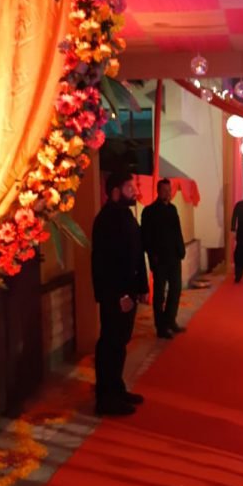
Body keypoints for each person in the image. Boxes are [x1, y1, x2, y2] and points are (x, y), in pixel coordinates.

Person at [91, 172, 149, 417]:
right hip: (115, 294)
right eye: (129, 187)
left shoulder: (125, 215)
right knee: (110, 343)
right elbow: (105, 263)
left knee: (120, 342)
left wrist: (142, 287)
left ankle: (117, 388)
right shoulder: (106, 220)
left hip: (129, 292)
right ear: (115, 191)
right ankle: (106, 398)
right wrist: (120, 295)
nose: (134, 191)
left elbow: (136, 253)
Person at [141, 178, 186, 340]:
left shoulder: (172, 209)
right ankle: (161, 327)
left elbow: (177, 231)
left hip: (174, 257)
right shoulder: (149, 211)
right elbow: (146, 237)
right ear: (158, 191)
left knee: (176, 290)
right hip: (159, 260)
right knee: (159, 294)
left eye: (169, 190)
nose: (167, 193)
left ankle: (170, 320)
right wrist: (153, 256)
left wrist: (181, 250)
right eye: (164, 190)